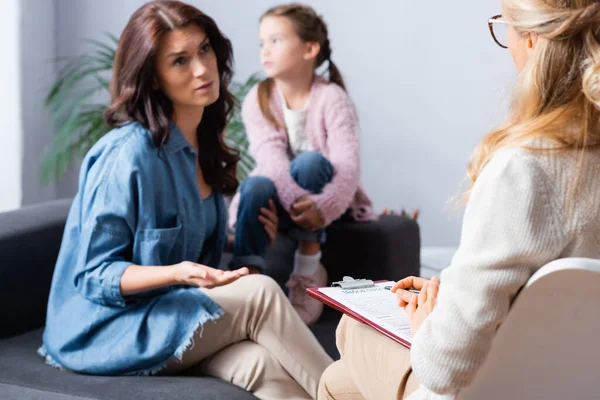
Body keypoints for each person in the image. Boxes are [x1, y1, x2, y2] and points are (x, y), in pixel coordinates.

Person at [38, 2, 332, 399]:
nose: (200, 69)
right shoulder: (126, 155)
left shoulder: (203, 146)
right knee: (260, 294)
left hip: (173, 313)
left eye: (204, 50)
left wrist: (232, 238)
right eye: (179, 61)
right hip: (106, 329)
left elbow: (178, 240)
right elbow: (94, 275)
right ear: (154, 78)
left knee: (260, 365)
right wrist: (179, 272)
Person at [319, 0, 600, 398]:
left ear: (534, 39)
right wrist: (451, 293)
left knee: (354, 326)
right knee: (336, 383)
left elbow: (444, 369)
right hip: (579, 384)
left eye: (504, 24)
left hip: (491, 389)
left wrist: (425, 324)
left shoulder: (526, 169)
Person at [228, 3, 376, 325]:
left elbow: (347, 166)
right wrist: (295, 201)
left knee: (309, 163)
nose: (265, 50)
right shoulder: (259, 97)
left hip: (320, 202)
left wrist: (321, 208)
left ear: (309, 49)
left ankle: (308, 267)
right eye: (262, 43)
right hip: (286, 198)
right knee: (254, 185)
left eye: (276, 41)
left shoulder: (332, 98)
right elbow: (269, 158)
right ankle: (247, 277)